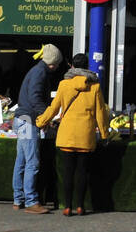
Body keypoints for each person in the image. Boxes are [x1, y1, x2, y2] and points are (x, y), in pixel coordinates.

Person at [37, 54, 109, 217]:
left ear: (72, 66)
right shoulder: (95, 87)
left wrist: (41, 121)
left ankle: (67, 206)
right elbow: (100, 113)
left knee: (68, 172)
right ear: (87, 66)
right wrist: (104, 134)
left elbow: (54, 108)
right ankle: (80, 207)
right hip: (85, 135)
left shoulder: (64, 85)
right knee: (82, 172)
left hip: (67, 135)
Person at [13, 44, 62, 214]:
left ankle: (18, 198)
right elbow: (35, 98)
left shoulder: (36, 71)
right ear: (53, 63)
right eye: (57, 63)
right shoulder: (40, 73)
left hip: (22, 118)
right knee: (32, 162)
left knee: (22, 160)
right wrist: (47, 116)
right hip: (28, 120)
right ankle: (31, 201)